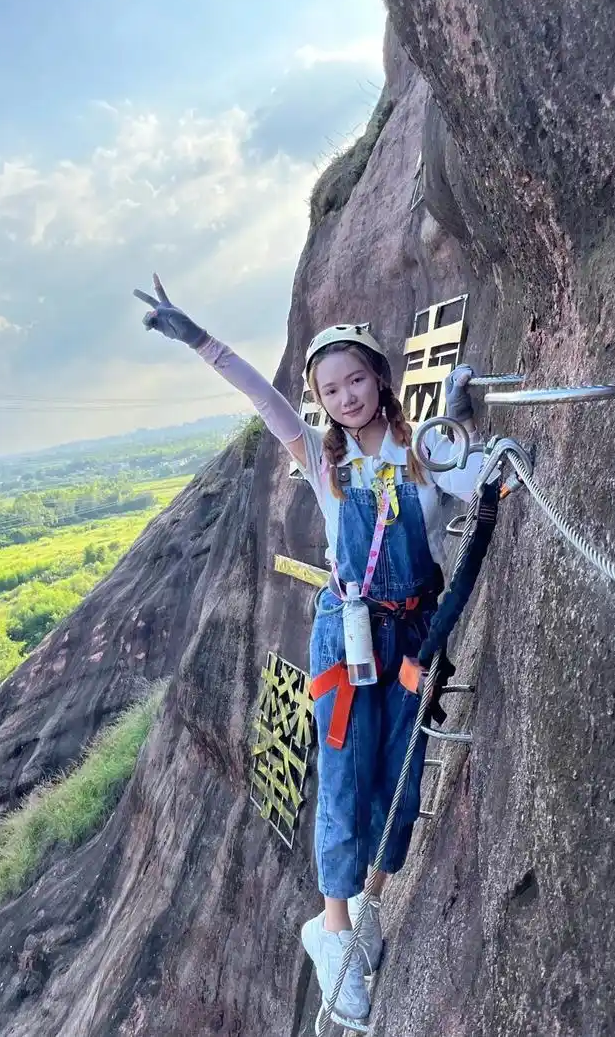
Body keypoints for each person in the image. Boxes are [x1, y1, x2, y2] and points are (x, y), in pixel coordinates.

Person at [134, 275, 482, 1032]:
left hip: (413, 635)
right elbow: (264, 398)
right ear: (321, 399)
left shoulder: (424, 450)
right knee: (344, 779)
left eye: (357, 376)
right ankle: (333, 933)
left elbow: (477, 478)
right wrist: (198, 338)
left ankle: (365, 910)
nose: (346, 394)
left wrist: (473, 431)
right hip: (348, 634)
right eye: (331, 386)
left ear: (380, 378)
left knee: (401, 777)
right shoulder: (323, 461)